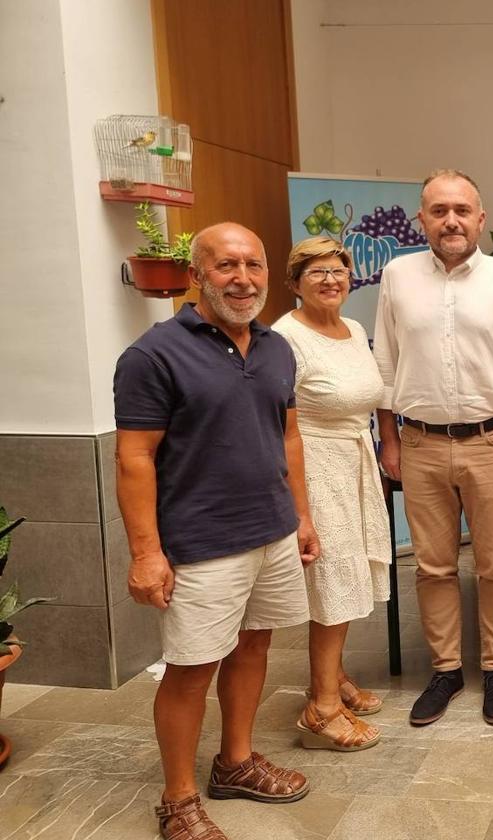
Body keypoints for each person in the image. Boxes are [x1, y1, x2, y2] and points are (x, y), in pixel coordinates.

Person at [115, 223, 317, 840]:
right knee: (192, 668)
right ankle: (177, 799)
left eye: (253, 266)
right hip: (201, 544)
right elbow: (134, 458)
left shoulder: (278, 347)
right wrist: (146, 553)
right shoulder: (153, 355)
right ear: (197, 275)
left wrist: (302, 516)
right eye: (226, 266)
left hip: (272, 532)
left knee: (255, 647)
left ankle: (234, 762)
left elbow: (288, 436)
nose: (242, 279)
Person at [373, 169, 493, 727]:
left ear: (481, 217)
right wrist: (390, 438)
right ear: (421, 218)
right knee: (433, 567)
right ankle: (446, 671)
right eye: (439, 210)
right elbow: (386, 363)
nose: (451, 220)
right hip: (420, 442)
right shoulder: (398, 276)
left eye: (462, 210)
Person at [273, 236, 391, 752]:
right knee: (333, 581)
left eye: (338, 270)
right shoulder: (284, 338)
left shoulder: (354, 328)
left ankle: (334, 677)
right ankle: (321, 709)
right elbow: (282, 428)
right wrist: (299, 510)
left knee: (349, 574)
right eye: (316, 271)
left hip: (354, 461)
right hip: (315, 469)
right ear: (295, 282)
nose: (330, 280)